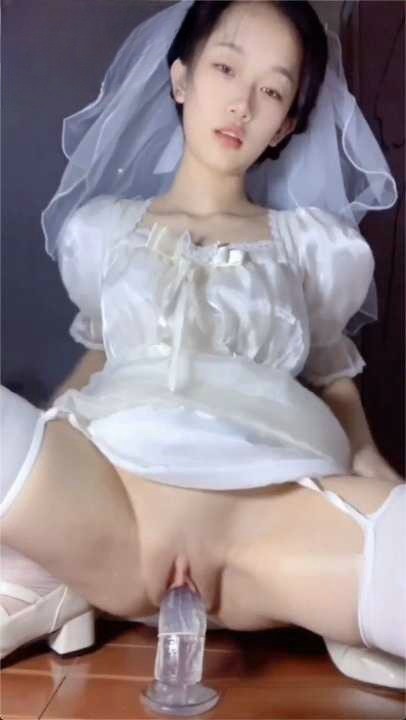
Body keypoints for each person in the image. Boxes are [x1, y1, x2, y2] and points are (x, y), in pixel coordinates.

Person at [1, 0, 405, 689]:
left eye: (272, 91)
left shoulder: (312, 246)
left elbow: (335, 380)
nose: (242, 104)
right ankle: (56, 574)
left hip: (267, 528)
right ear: (182, 78)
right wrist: (37, 456)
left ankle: (42, 578)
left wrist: (375, 474)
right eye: (226, 68)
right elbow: (99, 358)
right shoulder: (105, 233)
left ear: (288, 124)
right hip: (105, 507)